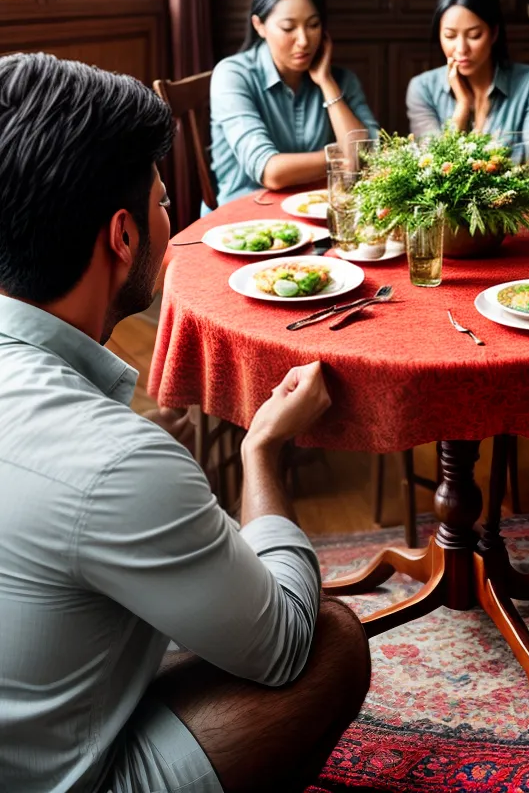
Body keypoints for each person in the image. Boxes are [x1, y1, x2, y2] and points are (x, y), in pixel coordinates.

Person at [0, 53, 371, 792]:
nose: (175, 220)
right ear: (123, 236)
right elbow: (283, 644)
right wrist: (262, 449)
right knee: (332, 639)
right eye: (166, 203)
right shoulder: (116, 462)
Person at [209, 0, 379, 208]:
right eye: (288, 27)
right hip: (245, 220)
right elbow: (270, 171)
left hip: (317, 214)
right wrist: (340, 157)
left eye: (313, 25)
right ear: (259, 26)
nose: (303, 40)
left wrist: (326, 83)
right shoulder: (232, 75)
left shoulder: (342, 80)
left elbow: (368, 157)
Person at [406, 0, 529, 160]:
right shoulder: (423, 88)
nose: (461, 49)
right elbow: (433, 169)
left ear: (493, 34)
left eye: (474, 35)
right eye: (450, 36)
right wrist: (462, 108)